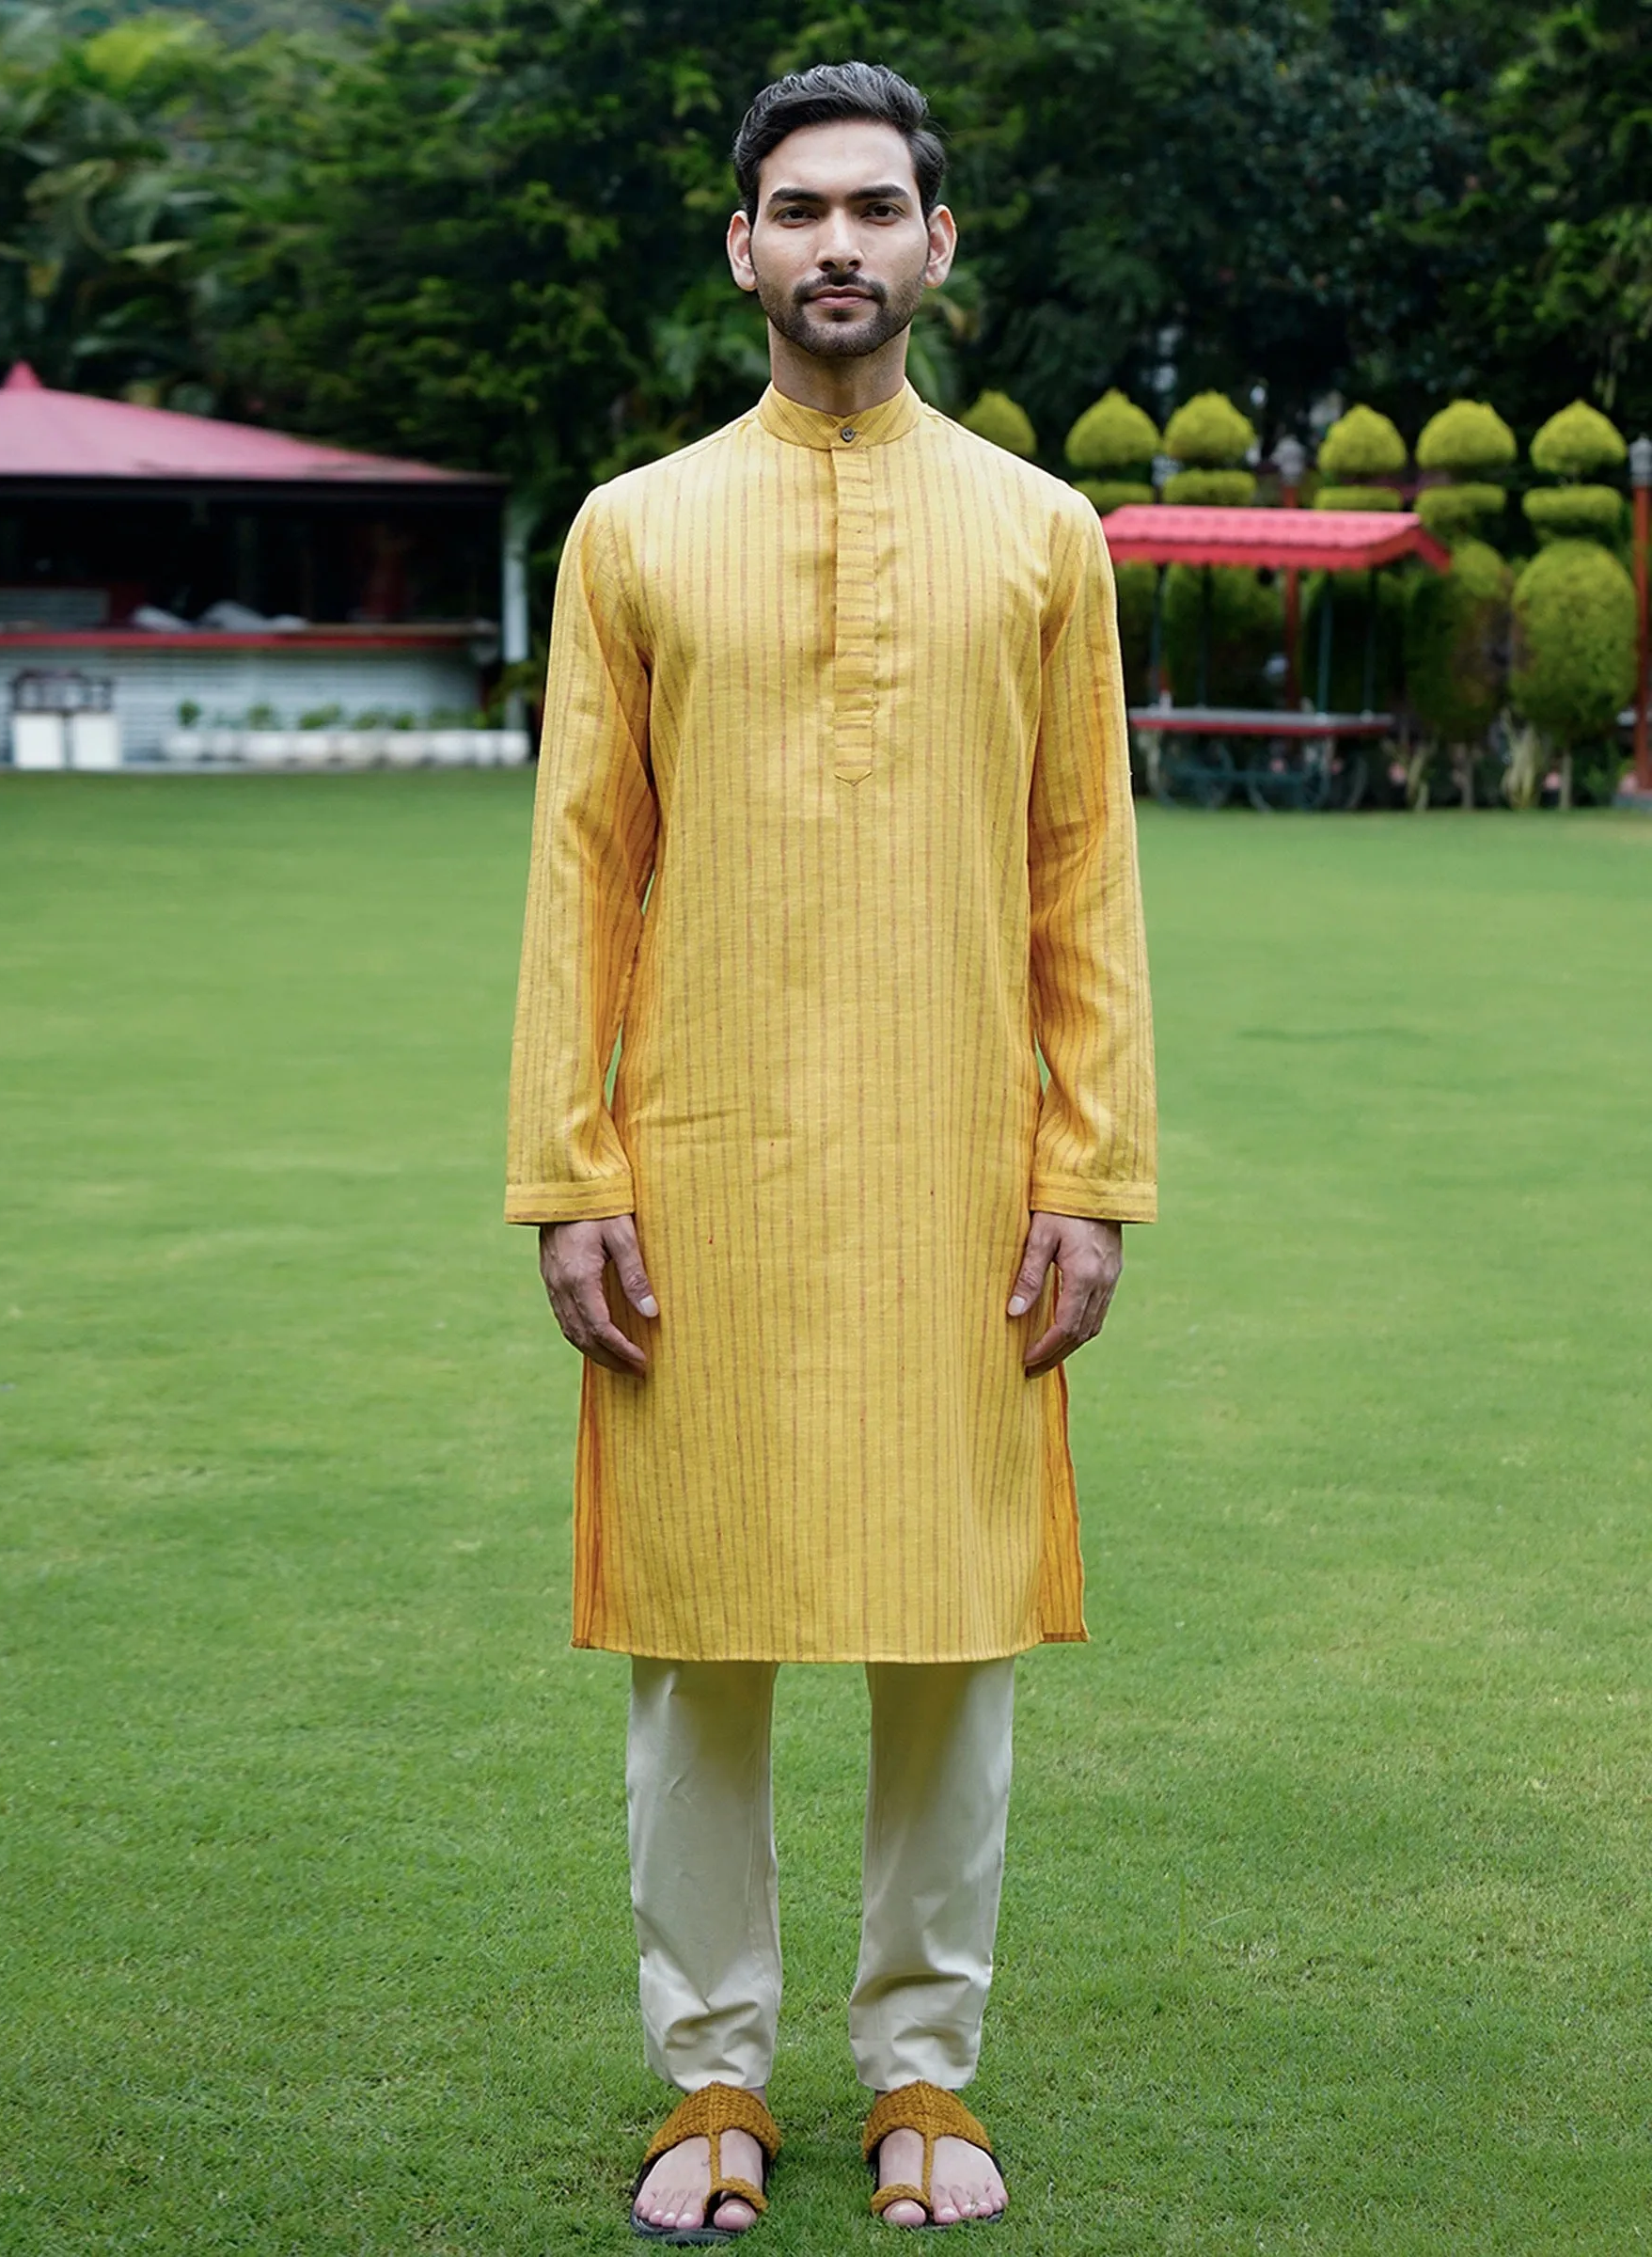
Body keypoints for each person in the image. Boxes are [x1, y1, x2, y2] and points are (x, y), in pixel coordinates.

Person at [506, 60, 1156, 2239]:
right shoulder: (636, 527)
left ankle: (919, 2072)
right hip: (701, 1176)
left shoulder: (1042, 534)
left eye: (877, 206)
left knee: (946, 1646)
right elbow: (578, 876)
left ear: (939, 247)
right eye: (799, 210)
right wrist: (569, 1173)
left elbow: (1087, 877)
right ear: (743, 250)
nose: (839, 245)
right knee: (698, 1648)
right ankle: (708, 2080)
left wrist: (1091, 1173)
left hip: (961, 1172)